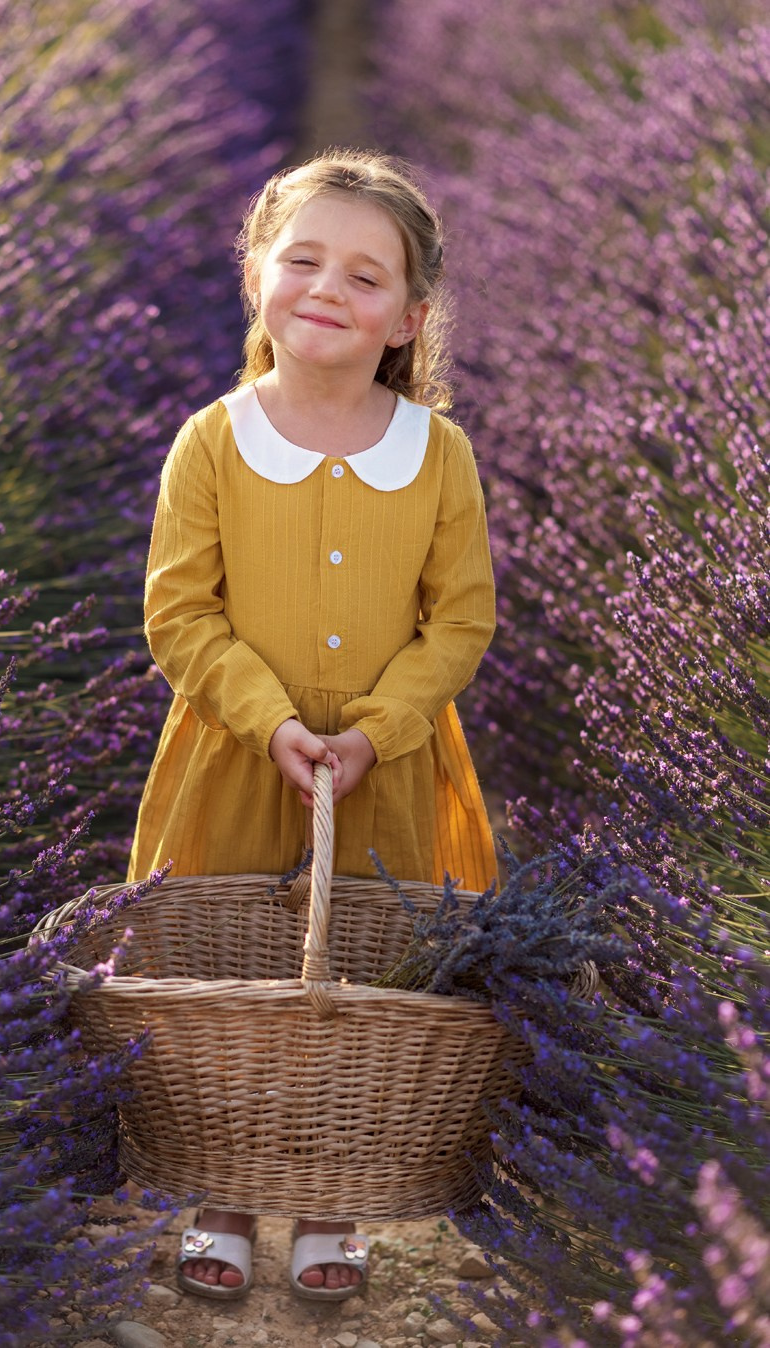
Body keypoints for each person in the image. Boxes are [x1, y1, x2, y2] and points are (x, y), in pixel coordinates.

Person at [127, 148, 497, 1303]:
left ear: (408, 318)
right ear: (254, 278)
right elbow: (180, 613)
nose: (328, 288)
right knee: (227, 980)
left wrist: (380, 728)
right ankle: (222, 1194)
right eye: (303, 259)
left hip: (382, 770)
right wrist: (269, 719)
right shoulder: (215, 441)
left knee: (360, 974)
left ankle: (333, 1199)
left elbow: (462, 621)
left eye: (366, 275)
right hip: (236, 759)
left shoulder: (437, 456)